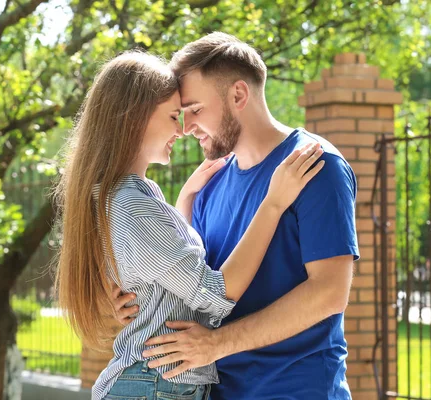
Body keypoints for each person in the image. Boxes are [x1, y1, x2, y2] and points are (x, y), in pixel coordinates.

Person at [53, 51, 325, 400]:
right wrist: (273, 203)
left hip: (157, 384)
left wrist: (183, 203)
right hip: (155, 387)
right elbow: (214, 294)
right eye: (172, 116)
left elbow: (165, 275)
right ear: (134, 119)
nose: (182, 130)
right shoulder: (132, 205)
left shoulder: (132, 193)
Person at [111, 33, 360, 400]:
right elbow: (197, 289)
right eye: (181, 115)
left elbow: (329, 293)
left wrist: (216, 345)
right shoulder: (208, 186)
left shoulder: (314, 167)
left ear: (239, 96)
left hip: (299, 390)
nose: (185, 128)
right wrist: (127, 304)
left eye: (195, 109)